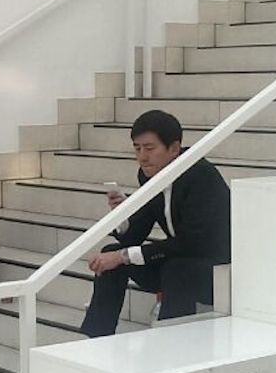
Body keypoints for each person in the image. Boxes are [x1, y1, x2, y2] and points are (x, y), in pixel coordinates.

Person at [79, 110, 231, 338]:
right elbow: (135, 236)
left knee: (176, 269)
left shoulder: (200, 177)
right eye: (137, 148)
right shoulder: (149, 175)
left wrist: (124, 256)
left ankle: (170, 344)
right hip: (180, 259)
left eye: (149, 148)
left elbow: (192, 242)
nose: (142, 157)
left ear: (174, 148)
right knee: (111, 254)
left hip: (217, 268)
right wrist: (123, 215)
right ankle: (96, 337)